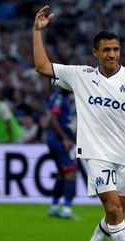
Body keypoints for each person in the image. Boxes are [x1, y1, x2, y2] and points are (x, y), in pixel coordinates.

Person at [32, 5, 125, 241]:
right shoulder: (81, 75)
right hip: (96, 154)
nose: (112, 54)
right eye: (106, 50)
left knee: (115, 215)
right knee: (114, 210)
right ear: (95, 53)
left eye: (116, 49)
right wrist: (37, 31)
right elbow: (42, 67)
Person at [46, 88, 78, 219]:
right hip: (59, 140)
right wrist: (65, 139)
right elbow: (52, 119)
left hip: (54, 139)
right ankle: (66, 209)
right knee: (70, 173)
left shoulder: (62, 98)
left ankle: (53, 207)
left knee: (62, 174)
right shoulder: (59, 98)